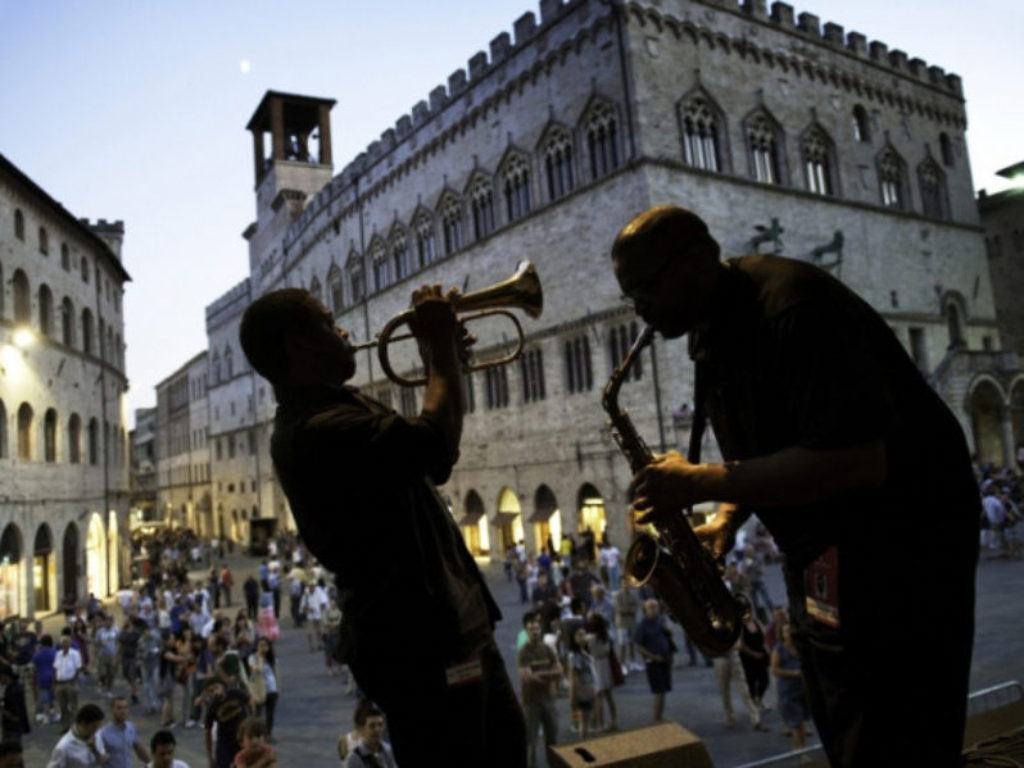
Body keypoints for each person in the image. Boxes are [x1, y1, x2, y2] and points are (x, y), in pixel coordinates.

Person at [613, 205, 979, 767]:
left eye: (644, 287)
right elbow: (761, 453)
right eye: (629, 294)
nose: (638, 307)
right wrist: (726, 520)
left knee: (901, 724)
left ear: (695, 264)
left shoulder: (792, 308)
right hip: (824, 546)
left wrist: (698, 482)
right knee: (842, 711)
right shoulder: (710, 328)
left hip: (902, 542)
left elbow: (856, 460)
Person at [239, 285, 526, 765]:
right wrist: (437, 348)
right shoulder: (317, 431)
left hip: (443, 628)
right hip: (421, 643)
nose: (345, 331)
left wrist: (446, 358)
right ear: (298, 346)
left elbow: (422, 449)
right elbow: (435, 447)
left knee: (504, 747)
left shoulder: (334, 408)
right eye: (330, 323)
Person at [516, 612, 561, 768]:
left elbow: (559, 670)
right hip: (531, 702)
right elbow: (527, 677)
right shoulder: (523, 652)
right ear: (526, 631)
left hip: (548, 700)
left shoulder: (547, 649)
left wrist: (540, 674)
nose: (535, 631)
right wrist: (549, 675)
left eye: (537, 628)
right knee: (531, 742)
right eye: (531, 629)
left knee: (553, 741)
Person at [772, 623, 810, 754]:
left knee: (801, 725)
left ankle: (799, 752)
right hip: (788, 692)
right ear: (782, 634)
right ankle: (801, 754)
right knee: (797, 725)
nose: (789, 634)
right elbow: (775, 670)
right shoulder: (779, 649)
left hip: (801, 690)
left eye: (790, 631)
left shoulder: (798, 647)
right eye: (786, 632)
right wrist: (793, 673)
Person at [633, 599, 673, 723]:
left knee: (664, 690)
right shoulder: (642, 625)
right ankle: (656, 718)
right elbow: (638, 646)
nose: (655, 610)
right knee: (658, 691)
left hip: (665, 658)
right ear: (646, 610)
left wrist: (668, 630)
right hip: (653, 662)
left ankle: (660, 715)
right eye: (651, 607)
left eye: (656, 607)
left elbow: (668, 636)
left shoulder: (661, 620)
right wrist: (652, 656)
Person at [204, 679, 251, 768]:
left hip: (242, 736)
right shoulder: (212, 708)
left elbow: (250, 701)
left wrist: (252, 719)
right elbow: (207, 732)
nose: (215, 692)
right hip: (225, 740)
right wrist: (210, 758)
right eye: (211, 691)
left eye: (216, 688)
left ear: (223, 686)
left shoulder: (234, 693)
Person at [45, 703, 107, 767]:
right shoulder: (64, 748)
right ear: (83, 723)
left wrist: (102, 756)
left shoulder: (95, 735)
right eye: (94, 727)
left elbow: (101, 752)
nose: (96, 730)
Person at [98, 697, 150, 768]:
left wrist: (151, 763)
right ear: (112, 709)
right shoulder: (103, 733)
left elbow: (139, 749)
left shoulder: (130, 727)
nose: (123, 711)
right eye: (119, 708)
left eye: (125, 708)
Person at [343, 699, 395, 768]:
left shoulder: (388, 750)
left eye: (380, 725)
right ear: (362, 729)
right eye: (372, 726)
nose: (377, 730)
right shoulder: (354, 759)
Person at [53, 629, 83, 730]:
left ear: (70, 643)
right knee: (62, 706)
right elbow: (56, 668)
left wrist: (74, 680)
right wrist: (55, 682)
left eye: (66, 642)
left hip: (70, 682)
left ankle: (75, 726)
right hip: (60, 683)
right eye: (63, 643)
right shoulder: (58, 654)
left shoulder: (74, 654)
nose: (64, 644)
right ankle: (65, 726)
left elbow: (78, 668)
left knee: (73, 706)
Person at [0, 665, 30, 746]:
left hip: (12, 728)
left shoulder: (14, 691)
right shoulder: (13, 687)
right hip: (14, 727)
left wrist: (2, 709)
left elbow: (14, 715)